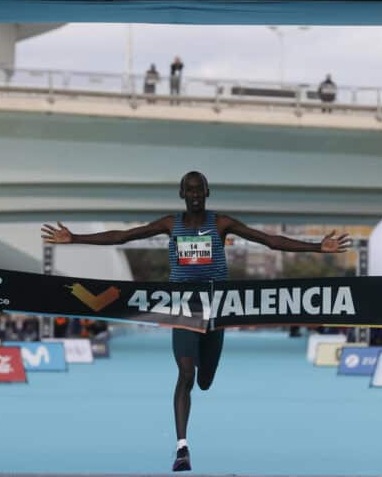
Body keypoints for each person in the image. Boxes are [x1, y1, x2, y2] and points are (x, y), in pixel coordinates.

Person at [41, 171, 351, 472]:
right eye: (188, 190)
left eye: (198, 189)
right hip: (183, 306)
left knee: (204, 381)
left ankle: (203, 373)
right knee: (186, 375)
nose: (194, 195)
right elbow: (123, 236)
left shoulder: (221, 222)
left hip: (217, 306)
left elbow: (269, 240)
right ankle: (182, 447)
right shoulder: (170, 224)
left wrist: (317, 247)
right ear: (181, 194)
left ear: (207, 193)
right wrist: (74, 238)